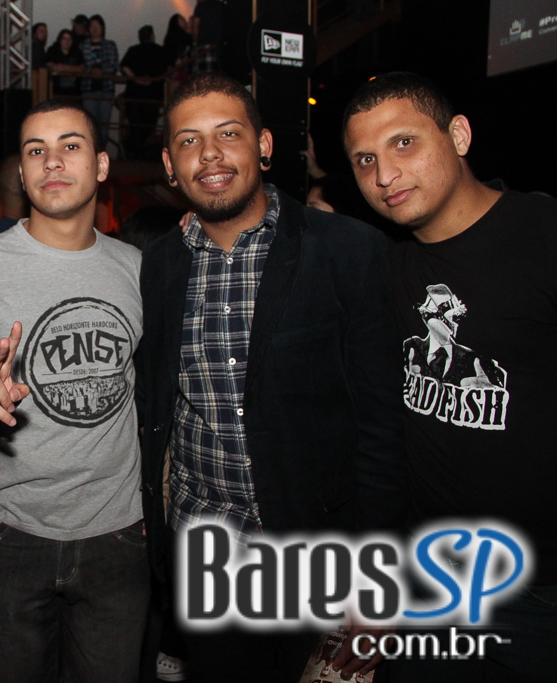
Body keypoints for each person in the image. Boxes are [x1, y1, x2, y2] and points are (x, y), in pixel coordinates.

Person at [137, 73, 407, 683]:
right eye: (189, 141)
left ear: (263, 146)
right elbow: (155, 406)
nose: (209, 154)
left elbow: (383, 430)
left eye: (228, 134)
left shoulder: (348, 250)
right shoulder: (157, 266)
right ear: (170, 166)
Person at [342, 71, 557, 683]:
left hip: (540, 594)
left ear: (458, 136)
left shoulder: (543, 236)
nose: (385, 175)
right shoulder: (384, 262)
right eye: (365, 159)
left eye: (404, 143)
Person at [0, 100, 149, 683]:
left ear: (102, 165)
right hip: (10, 536)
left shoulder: (139, 268)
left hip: (119, 536)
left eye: (70, 146)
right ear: (21, 171)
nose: (51, 161)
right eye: (36, 150)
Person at [120, 26, 168, 160]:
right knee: (148, 125)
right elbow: (168, 68)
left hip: (134, 94)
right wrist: (150, 80)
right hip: (152, 95)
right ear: (152, 36)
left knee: (135, 126)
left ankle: (135, 154)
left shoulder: (134, 50)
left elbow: (124, 66)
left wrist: (135, 78)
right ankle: (140, 154)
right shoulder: (159, 51)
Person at [80, 15, 119, 149]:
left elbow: (114, 64)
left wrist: (101, 71)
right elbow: (80, 64)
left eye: (97, 25)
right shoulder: (83, 46)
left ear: (102, 28)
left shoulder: (110, 45)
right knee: (89, 124)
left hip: (106, 88)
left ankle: (101, 152)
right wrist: (91, 71)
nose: (95, 28)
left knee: (104, 125)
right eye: (92, 26)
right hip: (88, 88)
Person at [45, 29, 85, 99]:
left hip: (74, 92)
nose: (67, 41)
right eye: (64, 38)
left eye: (69, 39)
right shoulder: (52, 50)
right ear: (60, 40)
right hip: (55, 91)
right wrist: (72, 70)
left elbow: (82, 68)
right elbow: (51, 66)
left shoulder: (77, 52)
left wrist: (63, 68)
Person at [190, 0, 225, 73]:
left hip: (204, 46)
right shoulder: (221, 6)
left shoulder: (201, 7)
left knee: (203, 75)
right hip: (219, 46)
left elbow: (195, 26)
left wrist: (195, 41)